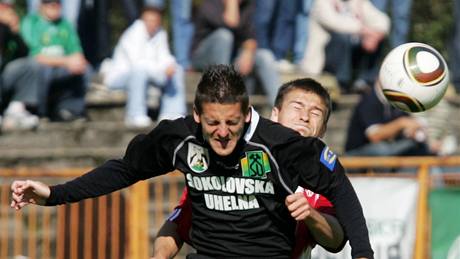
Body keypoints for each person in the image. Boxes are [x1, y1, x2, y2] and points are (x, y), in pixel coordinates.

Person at [11, 65, 373, 259]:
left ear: (248, 114)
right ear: (197, 116)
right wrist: (54, 194)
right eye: (213, 123)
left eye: (232, 123)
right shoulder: (178, 138)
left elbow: (340, 189)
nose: (222, 134)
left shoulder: (282, 147)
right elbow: (125, 170)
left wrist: (363, 255)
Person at [152, 78, 347, 259]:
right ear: (275, 114)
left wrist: (311, 214)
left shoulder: (322, 179)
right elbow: (177, 223)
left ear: (322, 130)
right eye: (297, 107)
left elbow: (336, 241)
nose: (304, 117)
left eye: (315, 113)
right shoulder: (233, 157)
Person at [2, 0, 88, 129]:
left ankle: (69, 110)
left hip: (53, 66)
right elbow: (33, 56)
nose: (53, 5)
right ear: (40, 5)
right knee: (38, 68)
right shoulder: (31, 22)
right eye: (48, 2)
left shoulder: (65, 24)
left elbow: (76, 52)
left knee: (85, 69)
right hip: (24, 71)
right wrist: (66, 61)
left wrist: (14, 31)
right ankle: (38, 111)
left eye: (57, 2)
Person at [100, 5, 186, 127]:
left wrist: (170, 66)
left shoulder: (160, 33)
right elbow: (138, 63)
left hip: (150, 75)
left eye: (155, 20)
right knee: (140, 71)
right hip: (119, 78)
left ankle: (172, 112)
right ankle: (134, 114)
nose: (152, 24)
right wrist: (162, 72)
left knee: (176, 69)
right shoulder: (133, 33)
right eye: (149, 20)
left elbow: (165, 56)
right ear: (143, 19)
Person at [191, 0, 281, 104]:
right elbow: (231, 21)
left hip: (231, 59)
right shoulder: (210, 4)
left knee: (265, 56)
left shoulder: (246, 6)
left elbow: (251, 36)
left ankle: (279, 107)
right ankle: (224, 96)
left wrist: (248, 52)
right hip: (203, 58)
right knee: (224, 36)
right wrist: (232, 3)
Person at [299, 0, 390, 93]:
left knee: (378, 40)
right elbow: (335, 23)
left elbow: (383, 20)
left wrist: (376, 36)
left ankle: (364, 81)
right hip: (325, 57)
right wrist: (365, 31)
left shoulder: (357, 2)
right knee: (342, 38)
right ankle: (342, 83)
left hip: (349, 54)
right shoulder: (321, 2)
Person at [344, 81, 431, 156]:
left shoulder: (395, 100)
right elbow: (375, 136)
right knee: (381, 149)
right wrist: (401, 123)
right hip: (357, 153)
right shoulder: (369, 100)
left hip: (387, 150)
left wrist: (413, 130)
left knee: (419, 147)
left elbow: (409, 126)